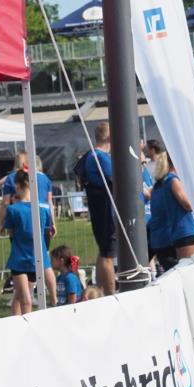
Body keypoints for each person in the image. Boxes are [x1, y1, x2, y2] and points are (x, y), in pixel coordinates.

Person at [4, 170, 55, 315]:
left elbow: (11, 233)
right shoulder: (42, 209)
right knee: (25, 298)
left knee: (21, 297)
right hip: (25, 260)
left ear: (19, 187)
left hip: (27, 259)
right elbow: (45, 232)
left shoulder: (13, 210)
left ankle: (19, 324)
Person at [148, 148, 194, 271]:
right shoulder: (172, 180)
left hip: (164, 237)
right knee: (189, 271)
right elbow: (187, 204)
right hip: (184, 232)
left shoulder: (159, 185)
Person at [80, 123, 117, 294]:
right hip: (105, 211)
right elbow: (117, 179)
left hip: (101, 210)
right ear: (110, 137)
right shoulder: (100, 157)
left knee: (104, 252)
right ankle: (110, 293)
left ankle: (101, 291)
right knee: (108, 254)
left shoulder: (93, 156)